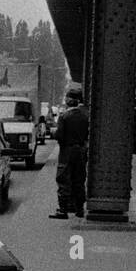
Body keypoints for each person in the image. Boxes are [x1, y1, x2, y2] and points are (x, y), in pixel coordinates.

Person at [51, 85, 89, 219]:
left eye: (67, 97)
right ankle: (79, 210)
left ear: (71, 100)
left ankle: (63, 210)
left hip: (67, 151)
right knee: (78, 180)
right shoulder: (85, 116)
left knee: (63, 179)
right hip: (81, 151)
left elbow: (59, 135)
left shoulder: (64, 116)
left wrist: (53, 132)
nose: (66, 99)